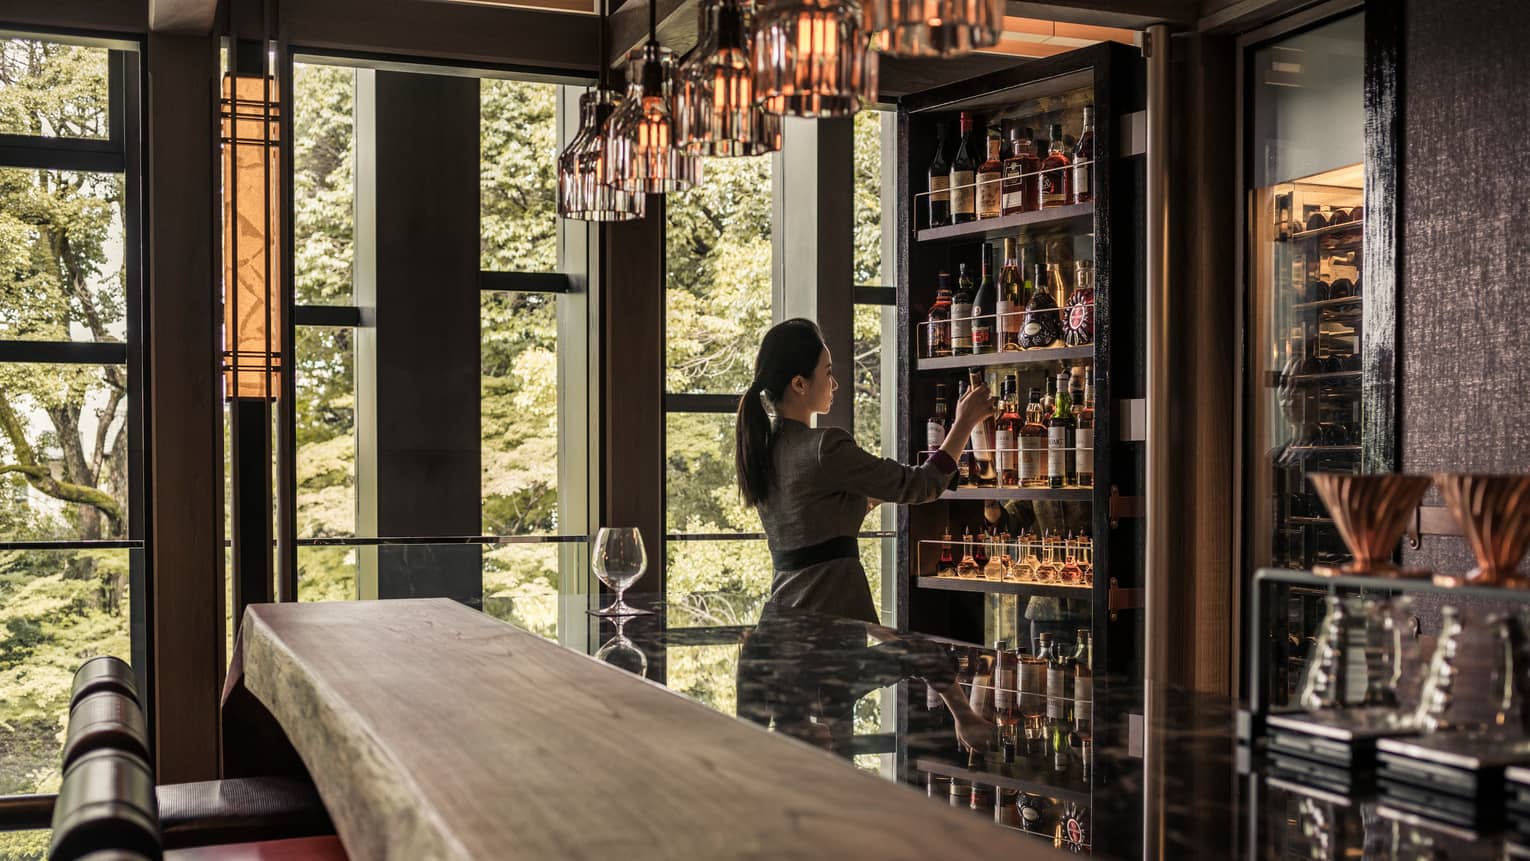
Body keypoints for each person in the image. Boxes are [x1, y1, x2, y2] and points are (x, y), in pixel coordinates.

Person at [735, 318, 993, 624]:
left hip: (783, 619)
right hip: (833, 619)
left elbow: (814, 520)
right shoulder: (825, 448)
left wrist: (868, 497)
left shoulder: (763, 449)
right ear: (800, 384)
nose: (834, 384)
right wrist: (964, 422)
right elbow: (923, 484)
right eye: (827, 373)